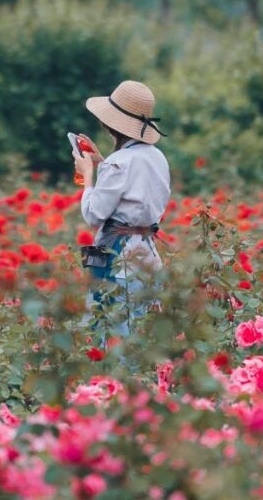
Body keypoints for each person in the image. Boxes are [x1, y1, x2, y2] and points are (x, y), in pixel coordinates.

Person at [73, 79, 170, 337]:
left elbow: (94, 214)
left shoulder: (119, 163)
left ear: (110, 124)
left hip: (119, 257)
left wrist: (88, 175)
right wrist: (103, 163)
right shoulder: (157, 157)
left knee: (112, 328)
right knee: (142, 327)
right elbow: (133, 194)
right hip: (148, 252)